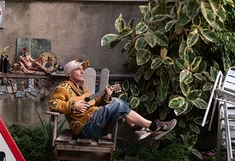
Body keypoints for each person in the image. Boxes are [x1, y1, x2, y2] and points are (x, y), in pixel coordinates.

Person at [48, 60, 177, 140]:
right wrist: (72, 106)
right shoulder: (63, 87)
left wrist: (107, 97)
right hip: (85, 128)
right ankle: (153, 126)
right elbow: (53, 104)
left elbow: (97, 102)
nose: (82, 71)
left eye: (83, 69)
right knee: (117, 103)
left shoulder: (83, 90)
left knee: (116, 104)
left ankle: (139, 130)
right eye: (78, 69)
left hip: (97, 125)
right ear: (69, 74)